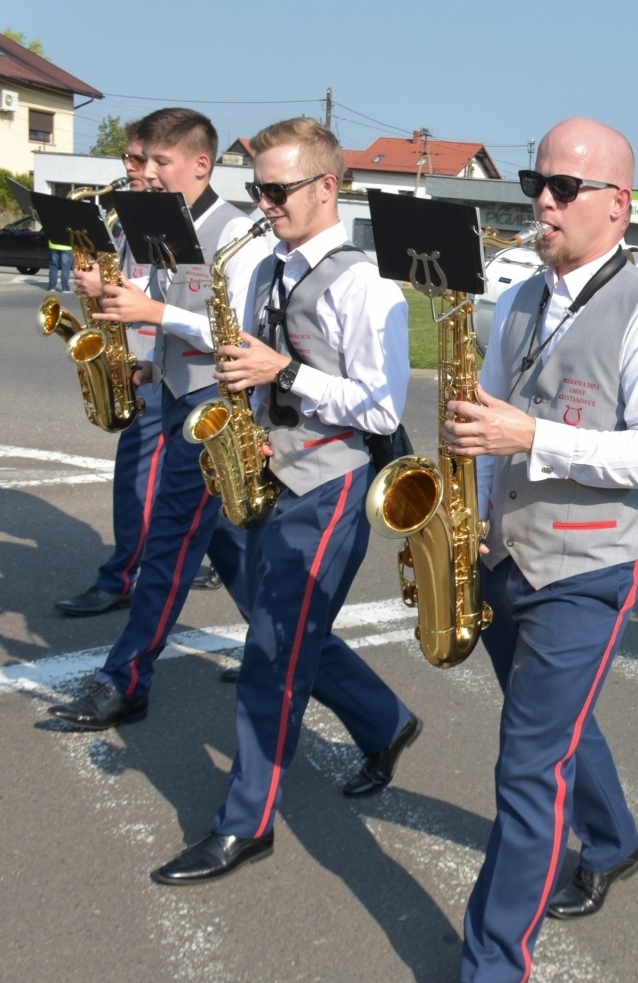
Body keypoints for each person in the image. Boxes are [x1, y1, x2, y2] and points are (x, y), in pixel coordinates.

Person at [398, 118, 638, 983]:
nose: (544, 200)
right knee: (559, 727)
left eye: (567, 187)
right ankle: (613, 844)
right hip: (506, 552)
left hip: (590, 566)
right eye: (539, 181)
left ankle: (493, 971)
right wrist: (468, 520)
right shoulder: (519, 297)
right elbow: (488, 420)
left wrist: (532, 440)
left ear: (620, 204)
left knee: (528, 762)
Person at [149, 118, 420, 884]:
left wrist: (282, 374)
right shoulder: (263, 264)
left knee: (273, 653)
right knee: (288, 630)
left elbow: (380, 407)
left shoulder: (367, 285)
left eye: (277, 190)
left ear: (327, 187)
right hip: (275, 469)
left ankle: (245, 823)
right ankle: (385, 723)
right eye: (256, 189)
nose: (264, 204)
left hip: (332, 484)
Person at [46, 108, 273, 730]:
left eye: (159, 163)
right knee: (228, 548)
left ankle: (126, 679)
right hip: (175, 393)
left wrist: (157, 316)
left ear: (201, 164)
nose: (145, 172)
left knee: (170, 548)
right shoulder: (161, 224)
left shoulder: (239, 235)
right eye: (142, 162)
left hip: (215, 409)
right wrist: (149, 360)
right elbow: (169, 313)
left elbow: (243, 335)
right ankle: (370, 710)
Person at [55, 127, 167, 618]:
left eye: (144, 160)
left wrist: (112, 284)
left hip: (167, 368)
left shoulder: (173, 221)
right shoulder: (123, 218)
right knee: (171, 482)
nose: (133, 168)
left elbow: (178, 293)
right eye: (130, 158)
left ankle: (121, 576)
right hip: (139, 361)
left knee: (138, 477)